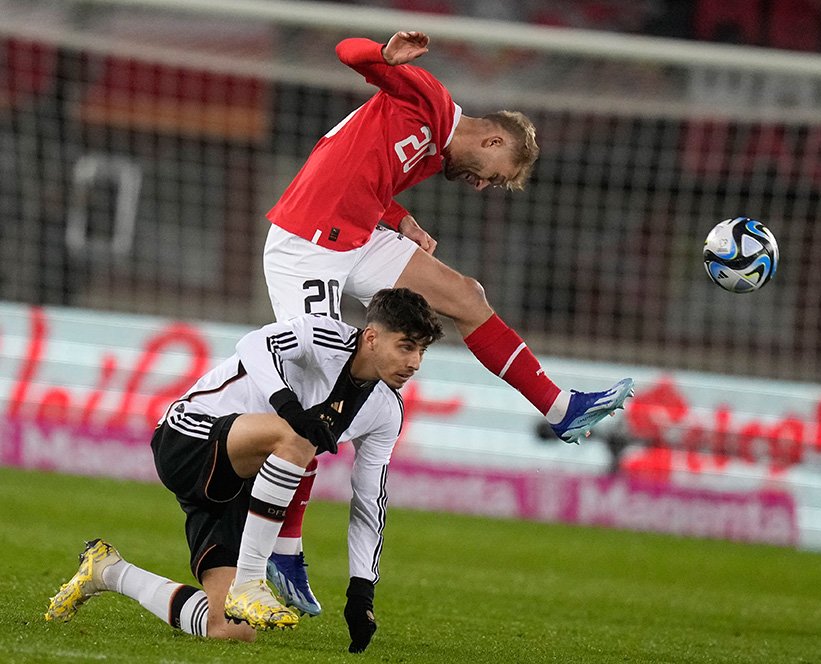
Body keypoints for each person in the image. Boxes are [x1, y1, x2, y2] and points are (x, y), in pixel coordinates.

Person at [262, 29, 635, 617]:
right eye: (493, 172)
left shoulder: (433, 155)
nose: (484, 185)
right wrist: (383, 57)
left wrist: (402, 219)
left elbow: (356, 166)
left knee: (464, 294)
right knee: (316, 395)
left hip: (356, 236)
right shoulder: (428, 100)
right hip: (304, 245)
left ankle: (561, 408)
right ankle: (285, 548)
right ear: (490, 138)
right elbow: (347, 53)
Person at [46, 288, 445, 653]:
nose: (414, 363)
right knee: (299, 437)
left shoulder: (386, 411)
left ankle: (108, 571)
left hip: (241, 485)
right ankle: (259, 575)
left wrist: (362, 591)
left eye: (421, 351)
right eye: (406, 346)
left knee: (231, 630)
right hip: (188, 437)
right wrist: (289, 406)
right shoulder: (323, 335)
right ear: (372, 337)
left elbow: (369, 502)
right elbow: (253, 344)